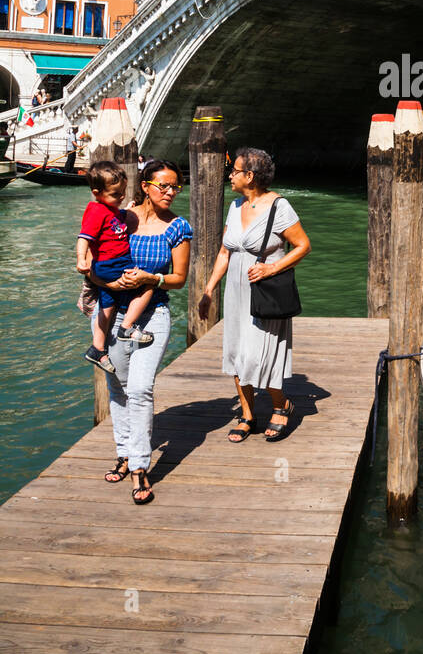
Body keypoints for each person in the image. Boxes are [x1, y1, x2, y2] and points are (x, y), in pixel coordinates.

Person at [199, 148, 311, 445]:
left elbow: (302, 246)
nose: (230, 175)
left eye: (234, 171)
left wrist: (271, 268)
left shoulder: (279, 207)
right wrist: (209, 289)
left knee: (260, 353)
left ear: (250, 176)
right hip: (235, 290)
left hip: (264, 289)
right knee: (237, 353)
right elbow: (225, 251)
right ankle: (248, 414)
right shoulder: (235, 206)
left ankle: (280, 403)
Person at [99, 160, 192, 504]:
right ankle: (123, 452)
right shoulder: (120, 218)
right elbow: (94, 261)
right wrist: (107, 280)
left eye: (175, 187)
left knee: (139, 389)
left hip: (155, 315)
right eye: (163, 186)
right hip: (113, 311)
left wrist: (151, 278)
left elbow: (179, 279)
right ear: (145, 185)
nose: (170, 192)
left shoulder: (178, 227)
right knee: (118, 386)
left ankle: (139, 466)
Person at [77, 162, 156, 372]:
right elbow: (84, 237)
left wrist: (124, 211)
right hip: (113, 264)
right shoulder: (95, 210)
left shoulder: (110, 209)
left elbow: (115, 222)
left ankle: (97, 349)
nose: (120, 197)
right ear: (97, 192)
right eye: (115, 194)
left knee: (107, 306)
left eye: (122, 193)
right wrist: (81, 259)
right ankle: (126, 327)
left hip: (108, 266)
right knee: (147, 283)